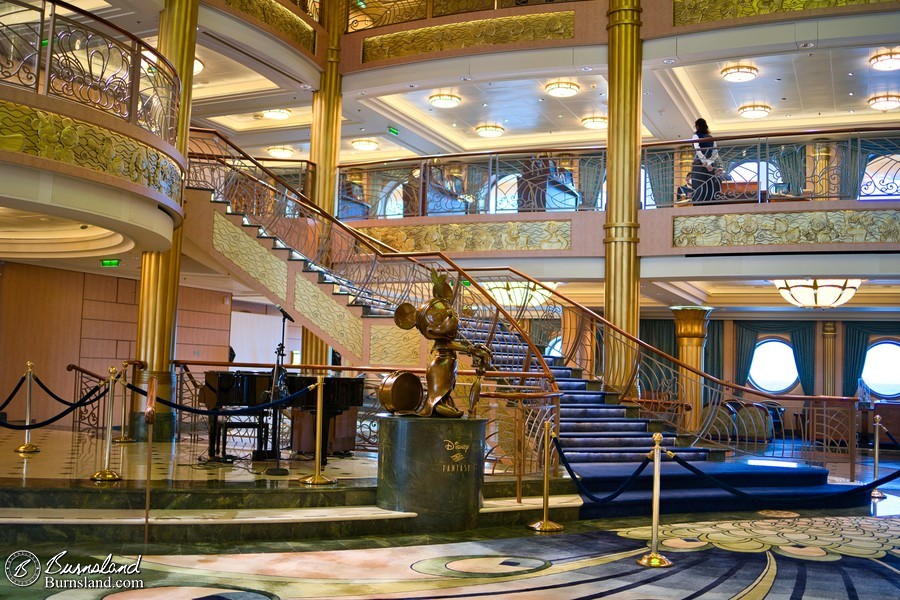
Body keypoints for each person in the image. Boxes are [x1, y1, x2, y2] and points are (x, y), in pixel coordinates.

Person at [690, 118, 721, 202]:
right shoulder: (711, 137)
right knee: (710, 184)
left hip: (699, 163)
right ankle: (710, 205)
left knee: (698, 185)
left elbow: (698, 150)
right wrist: (709, 163)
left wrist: (705, 162)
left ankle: (699, 205)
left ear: (697, 126)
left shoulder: (695, 136)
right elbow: (715, 153)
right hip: (710, 165)